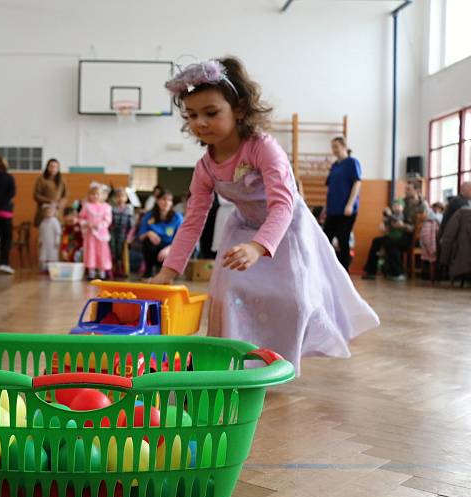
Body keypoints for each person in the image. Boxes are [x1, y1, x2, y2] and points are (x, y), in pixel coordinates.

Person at [151, 57, 378, 375]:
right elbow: (193, 219)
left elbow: (284, 205)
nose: (200, 122)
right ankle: (229, 362)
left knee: (294, 299)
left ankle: (277, 364)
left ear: (239, 109)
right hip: (243, 227)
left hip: (287, 228)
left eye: (211, 112)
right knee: (227, 292)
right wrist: (169, 271)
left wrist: (258, 247)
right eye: (192, 115)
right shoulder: (205, 167)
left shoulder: (262, 148)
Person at [323, 136, 362, 272]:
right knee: (325, 239)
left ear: (344, 147)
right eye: (332, 147)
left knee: (343, 239)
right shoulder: (335, 165)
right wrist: (325, 207)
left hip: (346, 210)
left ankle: (344, 271)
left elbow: (357, 183)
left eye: (336, 147)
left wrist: (350, 204)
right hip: (333, 209)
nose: (333, 150)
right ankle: (328, 269)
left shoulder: (352, 162)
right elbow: (330, 187)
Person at [137, 189, 183, 278]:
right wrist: (149, 233)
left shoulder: (177, 218)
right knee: (147, 241)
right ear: (157, 201)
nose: (166, 203)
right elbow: (141, 236)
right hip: (153, 249)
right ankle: (148, 271)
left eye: (169, 200)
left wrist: (168, 249)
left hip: (169, 249)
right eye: (163, 199)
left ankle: (165, 271)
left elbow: (180, 240)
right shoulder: (149, 216)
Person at [79, 184, 113, 279]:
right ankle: (91, 273)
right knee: (90, 251)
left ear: (102, 195)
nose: (95, 196)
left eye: (98, 194)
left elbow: (108, 220)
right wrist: (86, 223)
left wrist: (99, 225)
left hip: (102, 234)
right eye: (93, 194)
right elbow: (81, 218)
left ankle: (102, 273)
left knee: (102, 252)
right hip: (90, 234)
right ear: (89, 195)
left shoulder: (106, 207)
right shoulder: (86, 206)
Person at [33, 158, 67, 227]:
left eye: (55, 167)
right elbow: (36, 195)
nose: (53, 169)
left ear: (58, 168)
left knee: (57, 231)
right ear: (47, 167)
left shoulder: (62, 180)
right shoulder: (41, 179)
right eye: (51, 166)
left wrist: (61, 203)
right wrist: (49, 201)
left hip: (57, 211)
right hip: (44, 211)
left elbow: (65, 195)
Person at [109, 187, 135, 277]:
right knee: (113, 250)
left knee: (122, 251)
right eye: (118, 196)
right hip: (113, 232)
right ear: (115, 198)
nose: (120, 198)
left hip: (123, 233)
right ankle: (114, 268)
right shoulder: (112, 209)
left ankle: (123, 269)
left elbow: (132, 225)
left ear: (126, 198)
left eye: (122, 196)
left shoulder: (129, 209)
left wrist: (130, 237)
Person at [37, 203, 61, 273]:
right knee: (44, 256)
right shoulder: (43, 222)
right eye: (46, 212)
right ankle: (44, 269)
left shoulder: (55, 221)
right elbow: (41, 233)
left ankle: (53, 270)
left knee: (52, 256)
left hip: (52, 243)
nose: (48, 213)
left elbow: (58, 233)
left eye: (50, 211)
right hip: (44, 243)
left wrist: (57, 240)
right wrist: (40, 240)